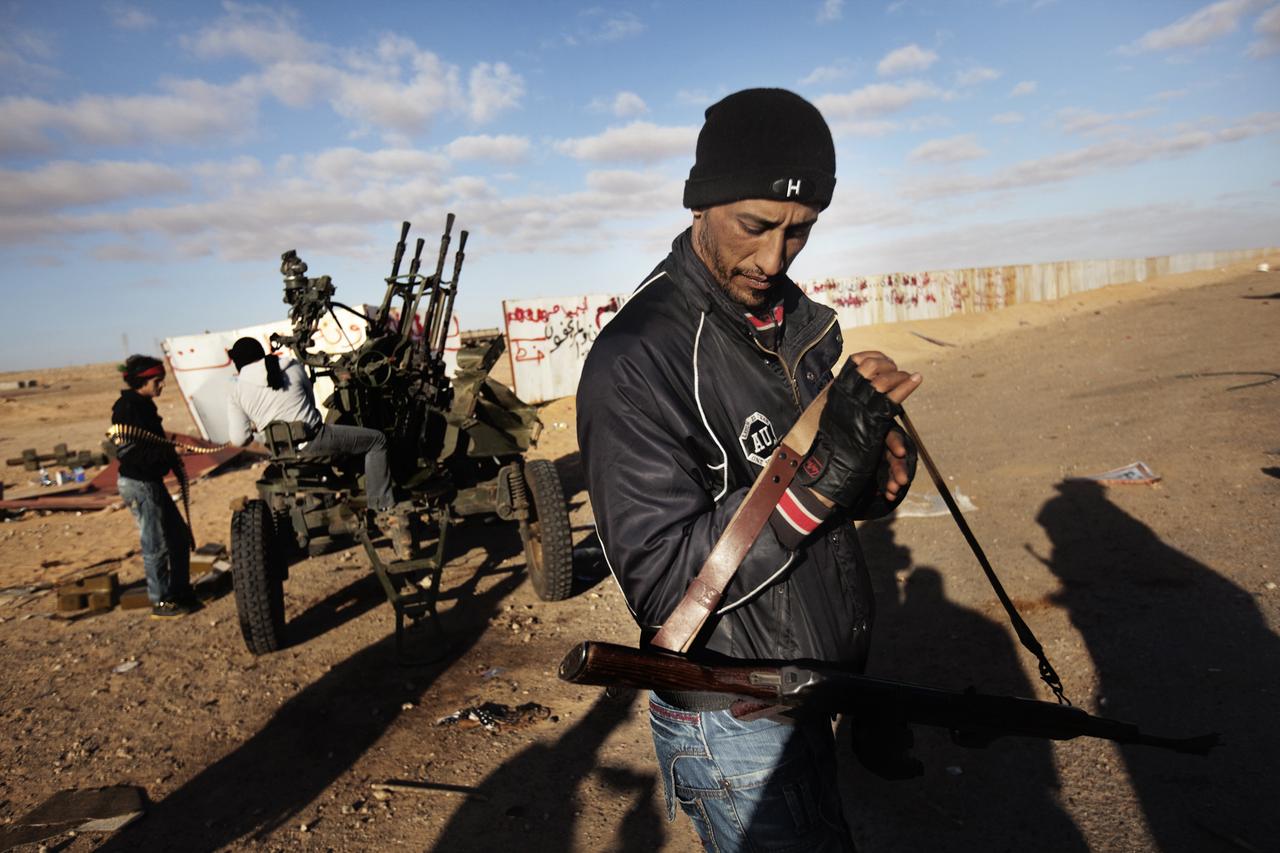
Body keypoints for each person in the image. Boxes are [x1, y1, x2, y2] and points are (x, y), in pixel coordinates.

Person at [576, 88, 923, 852]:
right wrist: (828, 470)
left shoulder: (798, 324)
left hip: (805, 686)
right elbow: (667, 581)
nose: (774, 258)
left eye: (799, 232)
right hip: (731, 713)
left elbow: (814, 507)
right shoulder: (636, 359)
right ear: (702, 203)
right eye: (755, 226)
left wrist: (874, 476)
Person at [224, 337, 399, 528]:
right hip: (317, 442)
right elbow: (310, 406)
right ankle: (382, 508)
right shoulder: (291, 366)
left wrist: (260, 428)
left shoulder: (236, 389)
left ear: (239, 363)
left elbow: (240, 439)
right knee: (377, 440)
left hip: (283, 454)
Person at [112, 354, 198, 619]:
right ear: (143, 381)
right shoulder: (127, 408)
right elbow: (129, 453)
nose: (161, 386)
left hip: (151, 482)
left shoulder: (143, 405)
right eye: (157, 381)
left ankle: (179, 592)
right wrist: (170, 453)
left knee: (179, 537)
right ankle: (160, 601)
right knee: (155, 544)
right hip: (139, 484)